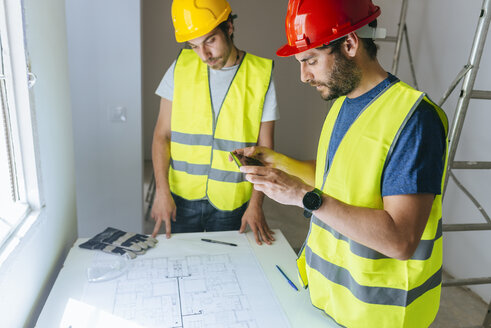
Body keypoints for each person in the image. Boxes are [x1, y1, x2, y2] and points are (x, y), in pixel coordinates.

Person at [234, 0, 448, 326]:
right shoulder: (341, 105)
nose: (304, 76)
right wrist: (278, 164)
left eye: (310, 61)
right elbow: (334, 177)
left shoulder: (414, 119)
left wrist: (302, 197)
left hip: (379, 316)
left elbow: (400, 240)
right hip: (329, 303)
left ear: (349, 44)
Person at [150, 0, 278, 245]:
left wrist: (256, 205)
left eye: (210, 41)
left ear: (229, 27)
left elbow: (266, 151)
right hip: (181, 197)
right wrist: (162, 191)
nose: (204, 55)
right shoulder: (181, 67)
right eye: (194, 46)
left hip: (231, 202)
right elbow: (161, 135)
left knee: (228, 269)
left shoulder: (260, 75)